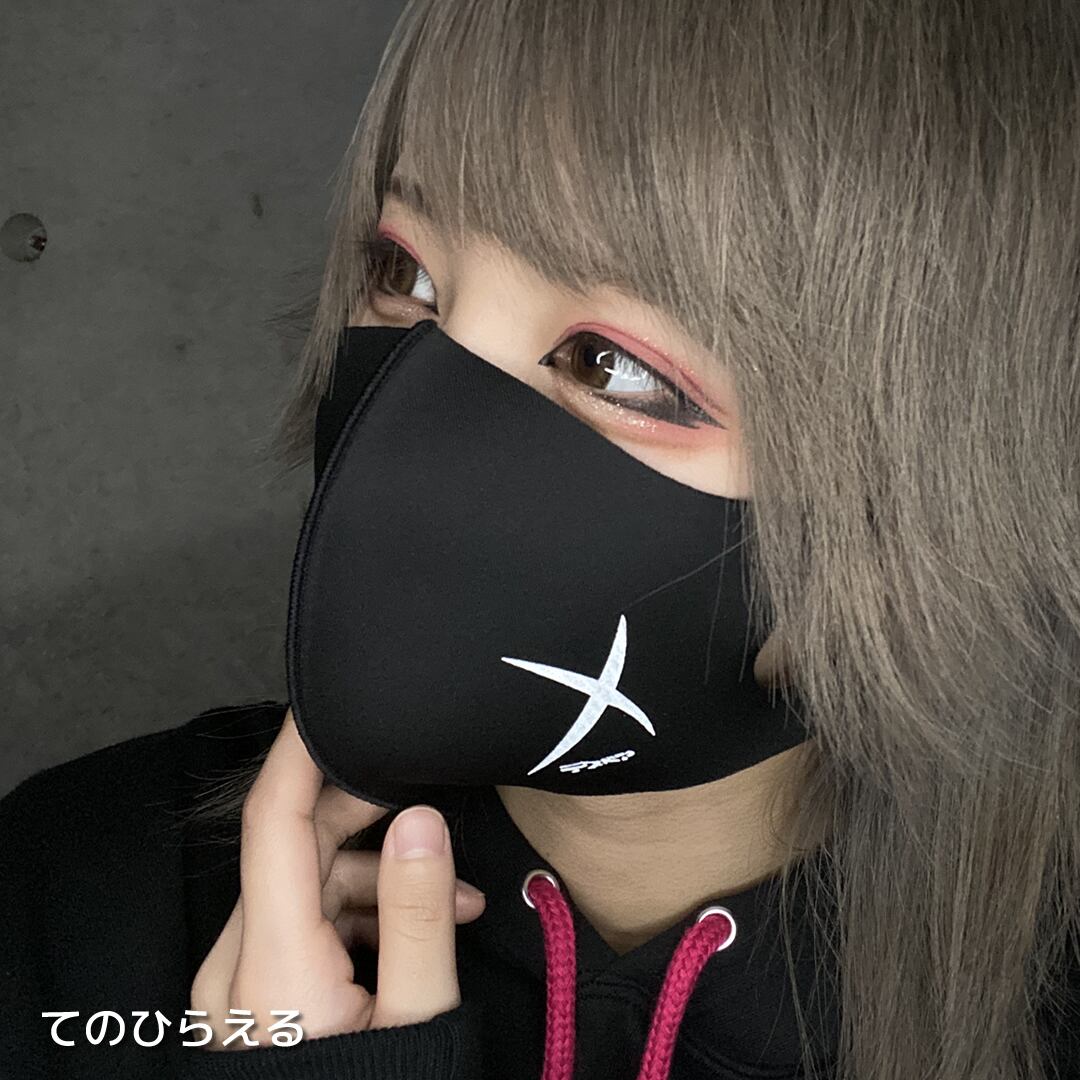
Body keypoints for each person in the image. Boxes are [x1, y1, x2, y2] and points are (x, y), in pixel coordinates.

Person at [3, 1, 1079, 1078]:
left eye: (612, 364)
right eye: (406, 276)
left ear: (949, 493)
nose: (412, 429)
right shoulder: (70, 901)